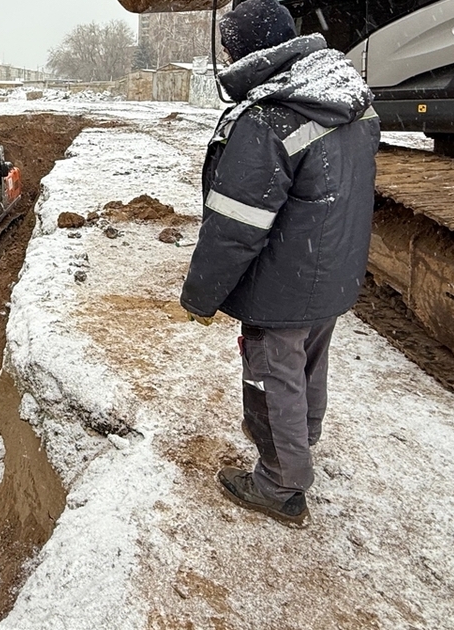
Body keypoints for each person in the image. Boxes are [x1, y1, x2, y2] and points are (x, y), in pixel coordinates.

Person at [179, 0, 380, 527]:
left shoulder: (271, 117)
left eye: (229, 45)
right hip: (330, 270)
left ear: (247, 50)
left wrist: (201, 294)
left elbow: (234, 225)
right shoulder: (345, 100)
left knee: (272, 376)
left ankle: (281, 484)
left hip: (281, 282)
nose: (224, 54)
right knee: (308, 365)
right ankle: (301, 443)